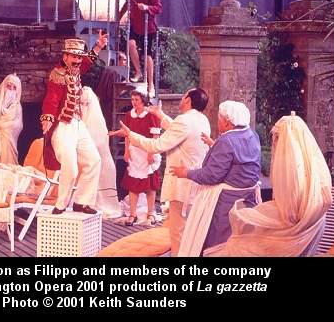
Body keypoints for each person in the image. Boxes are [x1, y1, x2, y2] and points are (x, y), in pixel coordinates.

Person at [205, 113, 333, 257]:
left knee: (239, 238)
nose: (274, 143)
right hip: (307, 229)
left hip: (292, 235)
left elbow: (290, 215)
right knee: (243, 224)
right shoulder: (314, 167)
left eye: (277, 139)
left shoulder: (292, 171)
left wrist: (258, 216)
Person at [109, 88, 211, 256]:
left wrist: (130, 135)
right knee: (189, 231)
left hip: (183, 185)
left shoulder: (184, 120)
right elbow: (178, 131)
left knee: (178, 232)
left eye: (184, 94)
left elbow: (156, 146)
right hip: (195, 184)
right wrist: (161, 115)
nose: (182, 97)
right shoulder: (201, 119)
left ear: (188, 101)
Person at [170, 100, 262, 256]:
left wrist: (186, 173)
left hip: (227, 201)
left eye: (219, 119)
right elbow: (240, 157)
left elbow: (211, 176)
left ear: (226, 122)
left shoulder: (226, 140)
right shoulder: (251, 134)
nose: (217, 122)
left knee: (217, 242)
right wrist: (214, 144)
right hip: (248, 196)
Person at [40, 32, 108, 215]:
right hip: (63, 126)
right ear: (65, 57)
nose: (78, 60)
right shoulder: (58, 74)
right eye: (74, 57)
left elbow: (87, 63)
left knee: (94, 160)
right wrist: (47, 117)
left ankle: (82, 202)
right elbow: (51, 99)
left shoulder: (77, 69)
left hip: (78, 125)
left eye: (79, 57)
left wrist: (98, 46)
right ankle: (61, 204)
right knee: (70, 165)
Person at [119, 0, 162, 98]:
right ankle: (138, 72)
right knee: (130, 44)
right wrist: (118, 16)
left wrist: (147, 7)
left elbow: (158, 8)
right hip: (134, 23)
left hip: (148, 26)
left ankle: (151, 85)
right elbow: (127, 3)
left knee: (147, 55)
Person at [120, 89, 162, 226]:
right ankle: (133, 214)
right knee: (133, 185)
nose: (134, 102)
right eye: (132, 100)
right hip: (135, 153)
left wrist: (151, 153)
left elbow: (155, 136)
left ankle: (151, 212)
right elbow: (127, 135)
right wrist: (126, 151)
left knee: (149, 185)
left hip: (148, 151)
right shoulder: (129, 115)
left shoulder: (151, 115)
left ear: (143, 101)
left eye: (136, 100)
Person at [80, 86, 122, 219]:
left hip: (99, 163)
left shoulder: (98, 123)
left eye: (86, 104)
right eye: (80, 104)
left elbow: (98, 144)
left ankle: (95, 203)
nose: (83, 107)